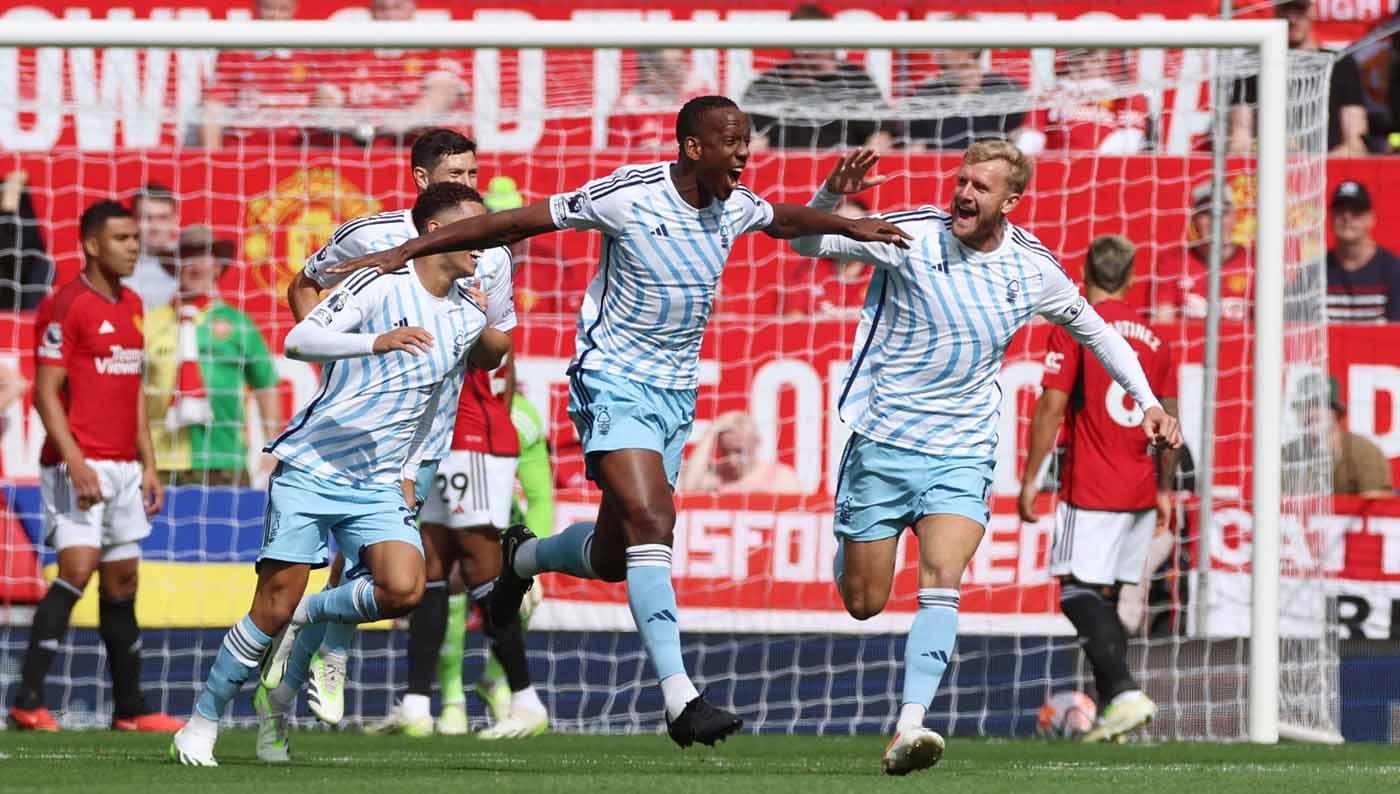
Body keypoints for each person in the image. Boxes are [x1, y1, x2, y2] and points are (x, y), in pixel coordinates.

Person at [327, 94, 909, 749]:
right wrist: (409, 248)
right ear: (694, 147)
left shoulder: (737, 204)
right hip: (612, 381)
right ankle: (680, 699)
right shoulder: (628, 195)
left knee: (613, 555)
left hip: (674, 395)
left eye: (747, 141)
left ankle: (521, 556)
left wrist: (839, 206)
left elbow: (791, 226)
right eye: (733, 141)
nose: (745, 153)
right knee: (655, 521)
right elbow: (514, 224)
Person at [787, 143, 1182, 774]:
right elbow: (808, 244)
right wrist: (832, 197)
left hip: (963, 450)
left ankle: (909, 726)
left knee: (942, 580)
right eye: (962, 181)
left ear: (1011, 201)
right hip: (884, 444)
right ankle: (855, 543)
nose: (964, 194)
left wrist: (1150, 401)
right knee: (864, 600)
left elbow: (1099, 332)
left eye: (981, 187)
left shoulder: (1032, 268)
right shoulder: (909, 234)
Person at [169, 183, 513, 767]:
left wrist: (407, 468)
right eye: (472, 232)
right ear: (435, 233)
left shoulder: (467, 312)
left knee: (405, 587)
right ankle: (203, 719)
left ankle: (311, 620)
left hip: (380, 479)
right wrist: (375, 342)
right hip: (313, 466)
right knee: (271, 606)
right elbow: (299, 339)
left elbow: (436, 397)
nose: (484, 245)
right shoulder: (376, 281)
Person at [8, 200, 182, 734]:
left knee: (123, 577)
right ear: (91, 244)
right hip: (74, 465)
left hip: (125, 465)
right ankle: (27, 700)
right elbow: (44, 391)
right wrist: (76, 460)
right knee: (79, 568)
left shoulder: (132, 303)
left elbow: (133, 393)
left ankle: (130, 708)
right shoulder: (67, 306)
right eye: (122, 239)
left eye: (135, 238)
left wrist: (148, 464)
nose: (133, 247)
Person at [1017, 234, 1179, 743]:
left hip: (1089, 484)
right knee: (1104, 600)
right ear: (1132, 278)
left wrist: (1029, 477)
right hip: (1138, 484)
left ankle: (1125, 693)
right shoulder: (1156, 338)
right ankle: (1118, 714)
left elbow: (1051, 405)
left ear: (1083, 275)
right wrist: (1165, 487)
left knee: (1074, 593)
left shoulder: (1075, 327)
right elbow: (1169, 420)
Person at [437, 384, 559, 739]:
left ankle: (496, 678)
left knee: (520, 590)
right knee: (452, 581)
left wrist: (531, 567)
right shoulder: (440, 405)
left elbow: (539, 499)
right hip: (449, 521)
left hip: (502, 527)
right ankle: (451, 701)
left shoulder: (520, 416)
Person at [144, 226, 281, 486]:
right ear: (175, 266)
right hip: (160, 460)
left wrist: (273, 447)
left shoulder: (238, 324)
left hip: (224, 459)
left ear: (218, 267)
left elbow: (266, 386)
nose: (195, 265)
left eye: (204, 256)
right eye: (188, 256)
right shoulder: (149, 323)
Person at [741, 5, 891, 152]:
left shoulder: (857, 83)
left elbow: (881, 137)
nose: (808, 50)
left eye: (814, 42)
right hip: (782, 172)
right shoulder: (766, 87)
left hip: (844, 172)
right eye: (802, 42)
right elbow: (751, 142)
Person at [1229, 0, 1369, 156]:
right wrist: (1273, 152)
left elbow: (1355, 144)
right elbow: (1239, 142)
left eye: (1300, 9)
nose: (1292, 19)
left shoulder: (1340, 64)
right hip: (1267, 171)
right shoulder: (1253, 65)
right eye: (1286, 9)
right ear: (1275, 12)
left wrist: (1311, 165)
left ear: (1313, 11)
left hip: (1326, 170)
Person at [198, 0, 311, 150]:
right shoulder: (237, 51)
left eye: (282, 9)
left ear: (295, 9)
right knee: (210, 110)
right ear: (256, 7)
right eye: (269, 8)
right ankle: (211, 168)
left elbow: (325, 100)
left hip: (299, 156)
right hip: (243, 153)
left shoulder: (309, 53)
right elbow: (215, 101)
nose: (275, 16)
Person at [1148, 181, 1252, 323]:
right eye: (1206, 213)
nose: (1215, 221)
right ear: (1194, 219)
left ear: (1235, 218)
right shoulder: (1173, 262)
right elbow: (1163, 323)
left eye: (1222, 212)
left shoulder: (1253, 263)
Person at [1015, 49, 1148, 156]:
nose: (1084, 65)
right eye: (1078, 59)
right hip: (1056, 165)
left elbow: (1130, 137)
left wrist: (1102, 158)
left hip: (1105, 169)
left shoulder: (1124, 96)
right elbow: (1032, 136)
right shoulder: (1050, 96)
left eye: (1093, 60)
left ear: (1107, 62)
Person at [1284, 375, 1393, 498]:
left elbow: (1376, 508)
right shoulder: (1286, 455)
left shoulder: (1365, 452)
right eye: (1304, 407)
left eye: (1319, 405)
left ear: (1335, 412)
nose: (1311, 413)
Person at [904, 49, 1025, 151]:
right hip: (940, 171)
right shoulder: (925, 93)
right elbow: (917, 148)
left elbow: (1019, 140)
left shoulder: (1007, 89)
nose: (938, 52)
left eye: (945, 45)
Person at [780, 196, 872, 319]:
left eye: (855, 226)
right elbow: (793, 318)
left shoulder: (883, 272)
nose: (848, 235)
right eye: (841, 227)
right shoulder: (810, 269)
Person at [1325, 181, 1400, 323]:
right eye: (1340, 210)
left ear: (1371, 218)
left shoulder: (1394, 272)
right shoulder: (1313, 274)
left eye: (1356, 210)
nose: (1347, 217)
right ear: (1330, 217)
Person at [678, 411, 802, 494]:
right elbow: (688, 489)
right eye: (726, 452)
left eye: (739, 452)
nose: (732, 460)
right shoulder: (716, 478)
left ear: (756, 442)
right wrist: (710, 432)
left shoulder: (780, 478)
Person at [609, 50, 706, 151]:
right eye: (676, 67)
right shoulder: (626, 107)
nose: (684, 72)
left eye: (684, 64)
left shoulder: (698, 96)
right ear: (652, 73)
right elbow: (617, 154)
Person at [0, 169, 53, 311]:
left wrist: (8, 210)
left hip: (16, 282)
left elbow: (30, 251)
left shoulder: (14, 193)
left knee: (43, 265)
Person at [124, 184, 181, 309]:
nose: (155, 226)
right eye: (147, 218)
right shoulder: (114, 265)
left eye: (163, 218)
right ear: (132, 220)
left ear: (175, 220)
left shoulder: (191, 261)